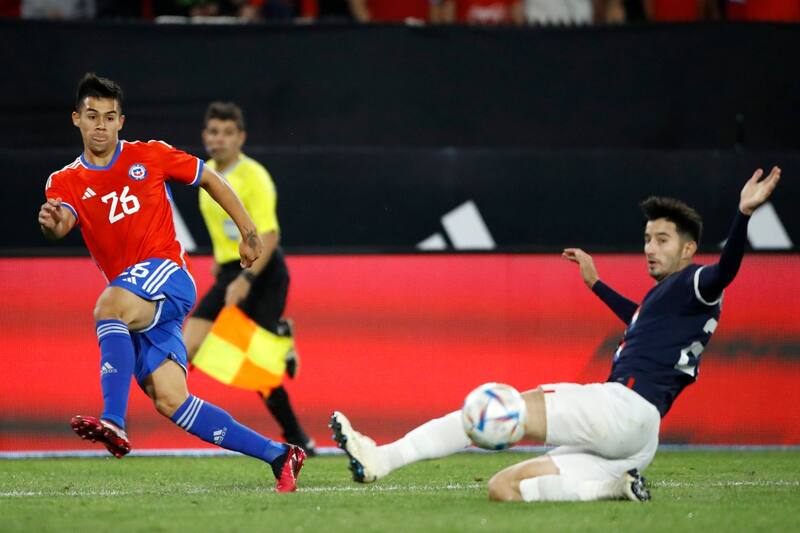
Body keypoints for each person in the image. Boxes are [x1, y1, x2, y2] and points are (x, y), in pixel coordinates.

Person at [330, 166, 782, 502]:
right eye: (647, 238)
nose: (650, 248)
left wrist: (742, 216)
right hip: (640, 440)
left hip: (620, 407)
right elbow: (639, 319)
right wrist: (596, 284)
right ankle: (616, 486)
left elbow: (725, 271)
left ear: (689, 249)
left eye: (662, 240)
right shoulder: (670, 301)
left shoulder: (696, 281)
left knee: (492, 409)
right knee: (504, 488)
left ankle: (383, 458)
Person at [38, 73, 305, 492]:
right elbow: (62, 223)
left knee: (108, 307)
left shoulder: (150, 155)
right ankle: (280, 454)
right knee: (171, 400)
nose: (100, 125)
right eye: (92, 116)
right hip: (139, 301)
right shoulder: (64, 181)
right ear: (77, 119)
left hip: (167, 274)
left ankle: (113, 421)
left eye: (109, 116)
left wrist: (248, 230)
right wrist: (51, 223)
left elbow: (210, 178)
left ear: (121, 121)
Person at [184, 101, 316, 456]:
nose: (219, 139)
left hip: (264, 272)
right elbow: (222, 234)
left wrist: (245, 280)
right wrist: (222, 267)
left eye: (228, 133)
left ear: (241, 138)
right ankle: (280, 336)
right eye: (214, 132)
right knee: (187, 347)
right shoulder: (205, 175)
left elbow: (269, 236)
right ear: (204, 135)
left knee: (261, 369)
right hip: (231, 269)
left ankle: (299, 439)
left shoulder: (254, 176)